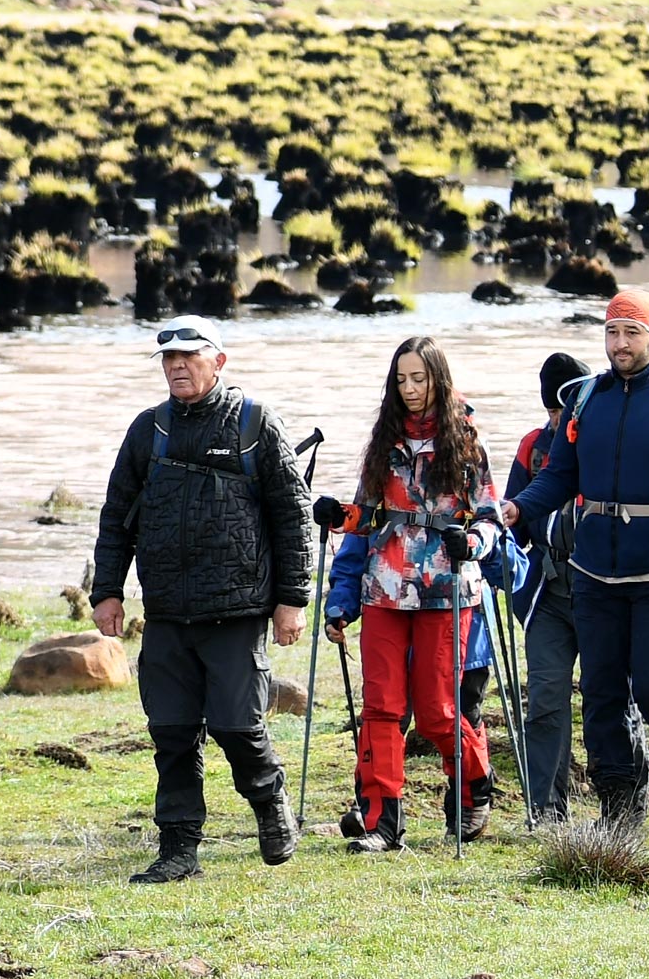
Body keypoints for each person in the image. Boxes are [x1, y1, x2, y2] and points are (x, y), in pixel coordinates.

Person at [80, 319, 309, 886]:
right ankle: (179, 850)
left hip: (237, 610)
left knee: (237, 724)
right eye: (168, 359)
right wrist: (107, 591)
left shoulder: (256, 424)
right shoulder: (147, 430)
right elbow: (117, 516)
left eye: (189, 356)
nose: (177, 366)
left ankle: (270, 801)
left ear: (219, 361)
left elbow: (293, 516)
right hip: (166, 612)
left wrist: (292, 600)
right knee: (172, 732)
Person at [505, 284, 649, 838]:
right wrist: (516, 507)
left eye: (632, 332)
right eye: (612, 331)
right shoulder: (585, 399)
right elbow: (560, 476)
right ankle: (618, 803)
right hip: (595, 570)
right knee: (602, 690)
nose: (620, 342)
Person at [323, 337, 495, 852]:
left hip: (448, 591)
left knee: (439, 710)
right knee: (381, 706)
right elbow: (364, 520)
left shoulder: (466, 444)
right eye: (401, 380)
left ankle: (474, 786)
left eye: (419, 379)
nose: (410, 389)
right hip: (384, 590)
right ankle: (381, 823)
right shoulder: (383, 444)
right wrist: (338, 523)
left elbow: (488, 518)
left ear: (437, 380)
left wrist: (474, 541)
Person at [504, 349, 592, 821]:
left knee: (611, 700)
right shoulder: (531, 447)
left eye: (568, 405)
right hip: (547, 595)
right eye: (554, 409)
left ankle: (619, 804)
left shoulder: (606, 440)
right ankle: (546, 811)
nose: (560, 418)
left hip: (606, 591)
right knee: (544, 702)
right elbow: (514, 517)